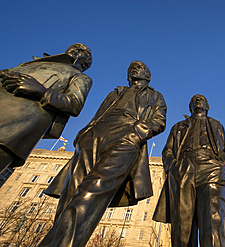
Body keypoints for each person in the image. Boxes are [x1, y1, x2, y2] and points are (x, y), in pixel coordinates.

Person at [38, 61, 167, 247]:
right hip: (95, 134)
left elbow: (159, 121)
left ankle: (57, 244)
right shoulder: (115, 92)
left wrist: (138, 133)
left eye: (140, 67)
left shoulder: (156, 96)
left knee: (95, 187)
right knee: (71, 190)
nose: (134, 68)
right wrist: (85, 132)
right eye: (131, 67)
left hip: (128, 132)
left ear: (148, 75)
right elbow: (98, 114)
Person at [153, 94, 225, 247]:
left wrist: (222, 167)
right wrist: (172, 166)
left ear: (207, 106)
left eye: (202, 99)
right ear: (190, 107)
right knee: (182, 225)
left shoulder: (216, 125)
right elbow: (168, 150)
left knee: (213, 223)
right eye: (194, 100)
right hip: (183, 168)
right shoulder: (178, 126)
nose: (197, 100)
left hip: (212, 167)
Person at [0, 43, 93, 173]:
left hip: (18, 121)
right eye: (74, 47)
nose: (77, 50)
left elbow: (75, 104)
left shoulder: (80, 77)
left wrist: (42, 91)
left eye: (84, 51)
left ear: (86, 62)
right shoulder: (30, 64)